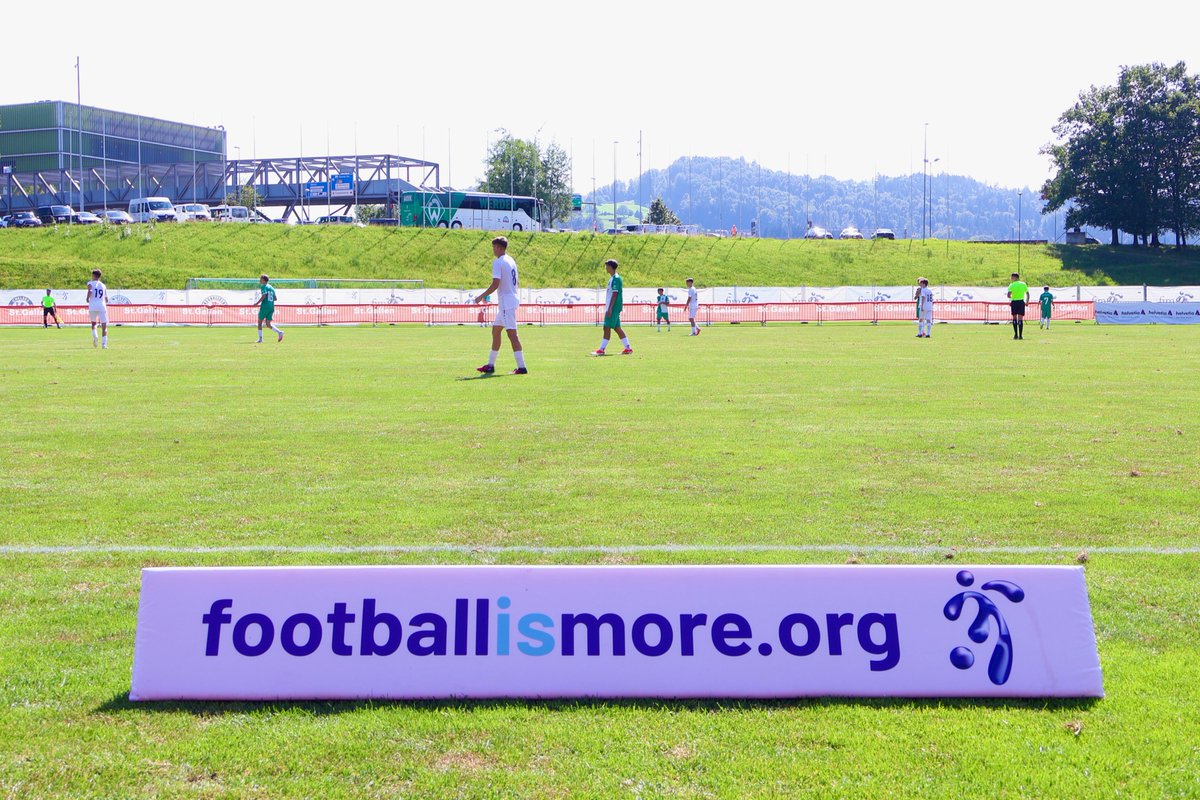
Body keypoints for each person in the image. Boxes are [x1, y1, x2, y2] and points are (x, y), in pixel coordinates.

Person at [474, 236, 526, 374]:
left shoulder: (498, 262)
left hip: (505, 302)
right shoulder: (511, 260)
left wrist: (481, 296)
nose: (493, 250)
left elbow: (495, 283)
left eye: (494, 247)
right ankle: (490, 365)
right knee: (496, 331)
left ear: (498, 247)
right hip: (510, 299)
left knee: (512, 334)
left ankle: (522, 367)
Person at [594, 259, 632, 355]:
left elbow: (615, 294)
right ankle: (628, 348)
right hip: (613, 307)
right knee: (617, 328)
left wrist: (610, 308)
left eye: (607, 266)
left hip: (613, 307)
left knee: (606, 327)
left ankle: (602, 349)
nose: (606, 267)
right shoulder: (613, 278)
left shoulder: (616, 278)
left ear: (611, 267)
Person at [252, 274, 284, 343]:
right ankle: (279, 332)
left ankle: (260, 339)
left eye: (260, 279)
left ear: (263, 280)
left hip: (265, 306)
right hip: (271, 306)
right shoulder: (271, 287)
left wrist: (257, 303)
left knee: (259, 322)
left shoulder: (263, 286)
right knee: (268, 324)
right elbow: (275, 298)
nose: (260, 280)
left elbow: (264, 295)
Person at [86, 269, 108, 348]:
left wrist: (87, 298)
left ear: (94, 275)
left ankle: (95, 336)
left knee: (93, 323)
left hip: (92, 305)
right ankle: (104, 344)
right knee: (104, 325)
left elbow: (90, 290)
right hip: (102, 305)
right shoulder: (103, 285)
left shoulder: (90, 283)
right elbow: (106, 299)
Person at [1007, 272, 1030, 340]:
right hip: (1021, 302)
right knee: (1020, 319)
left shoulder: (1011, 285)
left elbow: (1008, 295)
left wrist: (1011, 298)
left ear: (1015, 277)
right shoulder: (1023, 284)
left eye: (1011, 277)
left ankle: (1015, 335)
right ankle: (1020, 336)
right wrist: (1027, 302)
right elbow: (1028, 294)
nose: (1011, 278)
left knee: (1014, 318)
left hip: (1014, 302)